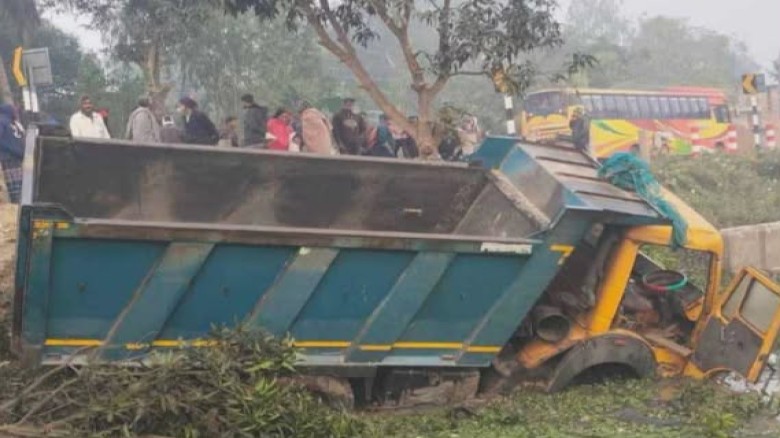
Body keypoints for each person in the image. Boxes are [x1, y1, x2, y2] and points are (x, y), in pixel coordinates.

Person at [0, 104, 25, 203]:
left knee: (13, 190)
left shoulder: (7, 122)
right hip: (13, 158)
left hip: (9, 158)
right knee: (17, 190)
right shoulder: (9, 122)